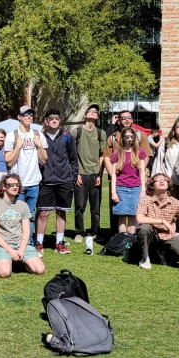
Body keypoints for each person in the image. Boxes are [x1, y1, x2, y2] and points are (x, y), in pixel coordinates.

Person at [34, 108, 78, 255]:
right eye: (51, 118)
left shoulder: (67, 137)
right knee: (43, 212)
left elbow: (73, 159)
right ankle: (39, 243)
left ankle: (59, 243)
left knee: (61, 212)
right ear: (46, 121)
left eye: (57, 118)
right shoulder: (40, 137)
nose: (54, 120)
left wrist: (72, 178)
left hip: (64, 181)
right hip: (45, 182)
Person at [0, 174, 45, 278]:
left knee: (40, 270)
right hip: (2, 245)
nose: (15, 187)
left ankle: (20, 262)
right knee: (4, 273)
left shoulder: (23, 205)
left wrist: (22, 249)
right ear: (3, 187)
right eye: (11, 185)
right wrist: (10, 250)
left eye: (17, 185)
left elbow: (26, 231)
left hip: (20, 243)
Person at [133, 172, 179, 269]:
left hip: (167, 235)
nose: (161, 181)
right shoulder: (145, 200)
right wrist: (162, 221)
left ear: (168, 185)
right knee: (144, 228)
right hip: (151, 234)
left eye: (164, 180)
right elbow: (140, 218)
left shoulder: (176, 203)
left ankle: (162, 256)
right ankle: (145, 259)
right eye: (157, 180)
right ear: (152, 186)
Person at [72, 104, 106, 253]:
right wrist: (76, 174)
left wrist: (99, 175)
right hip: (80, 174)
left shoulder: (101, 133)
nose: (93, 113)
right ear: (85, 115)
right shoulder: (77, 132)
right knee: (80, 205)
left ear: (97, 117)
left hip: (95, 174)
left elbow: (102, 155)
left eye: (95, 112)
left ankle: (94, 232)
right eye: (90, 111)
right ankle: (79, 232)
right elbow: (72, 154)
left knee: (96, 206)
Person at [3, 107, 45, 218]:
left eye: (31, 114)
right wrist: (17, 147)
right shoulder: (12, 135)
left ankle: (29, 231)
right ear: (19, 117)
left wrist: (40, 146)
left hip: (34, 183)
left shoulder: (38, 135)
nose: (29, 117)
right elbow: (8, 162)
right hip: (17, 183)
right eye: (25, 114)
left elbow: (44, 160)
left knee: (30, 215)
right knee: (17, 215)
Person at [106, 127, 148, 235]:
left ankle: (131, 239)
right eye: (126, 137)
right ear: (122, 138)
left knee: (133, 215)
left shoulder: (140, 152)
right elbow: (114, 174)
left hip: (136, 188)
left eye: (131, 137)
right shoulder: (117, 153)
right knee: (122, 215)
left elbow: (142, 172)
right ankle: (122, 239)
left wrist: (143, 190)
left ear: (134, 138)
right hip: (121, 188)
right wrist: (113, 192)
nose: (129, 139)